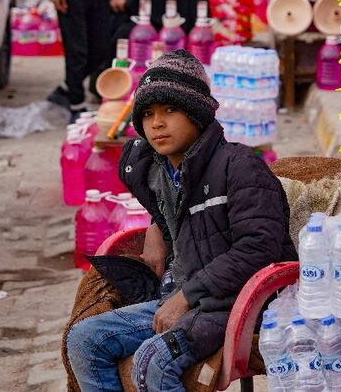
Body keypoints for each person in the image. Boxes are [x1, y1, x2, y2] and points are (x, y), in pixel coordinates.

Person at [65, 50, 297, 391]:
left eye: (170, 109)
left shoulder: (240, 166)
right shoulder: (153, 170)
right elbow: (170, 207)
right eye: (147, 114)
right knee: (85, 339)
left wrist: (187, 295)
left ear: (196, 112)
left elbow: (259, 247)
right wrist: (156, 227)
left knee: (151, 362)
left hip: (237, 303)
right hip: (184, 295)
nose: (156, 122)